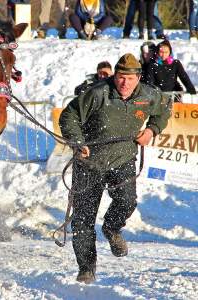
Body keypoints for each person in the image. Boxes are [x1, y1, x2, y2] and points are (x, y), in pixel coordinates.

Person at [59, 53, 171, 284]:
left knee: (127, 202)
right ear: (115, 76)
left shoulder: (149, 95)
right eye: (120, 77)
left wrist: (151, 130)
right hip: (89, 162)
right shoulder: (98, 92)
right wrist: (78, 142)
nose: (124, 82)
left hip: (123, 159)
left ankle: (111, 228)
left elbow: (163, 111)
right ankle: (86, 269)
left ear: (138, 77)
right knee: (82, 220)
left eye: (130, 78)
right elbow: (69, 115)